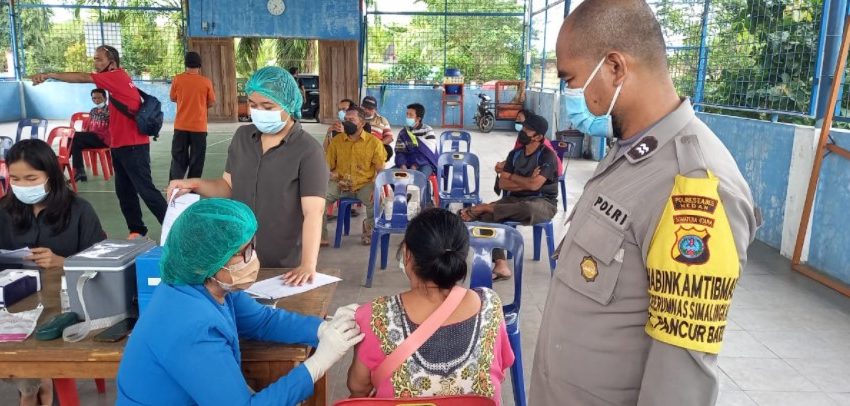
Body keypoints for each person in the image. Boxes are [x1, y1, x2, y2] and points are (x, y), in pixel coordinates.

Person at [529, 2, 759, 405]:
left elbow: (679, 382)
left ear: (615, 67)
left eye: (571, 79)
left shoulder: (694, 188)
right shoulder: (630, 151)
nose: (569, 94)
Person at [116, 198, 363, 405]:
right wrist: (318, 363)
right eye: (242, 253)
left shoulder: (211, 286)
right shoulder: (190, 325)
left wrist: (322, 328)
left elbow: (263, 321)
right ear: (208, 261)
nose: (252, 257)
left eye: (252, 246)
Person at [167, 66, 327, 286]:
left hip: (281, 264)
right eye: (253, 105)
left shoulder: (308, 151)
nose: (258, 111)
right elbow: (227, 187)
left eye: (267, 106)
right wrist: (193, 184)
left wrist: (308, 264)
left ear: (289, 105)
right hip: (237, 257)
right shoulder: (243, 137)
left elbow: (313, 212)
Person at [347, 209, 514, 403]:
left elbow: (358, 387)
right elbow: (500, 369)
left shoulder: (375, 316)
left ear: (407, 254)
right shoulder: (490, 304)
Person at [0, 139, 106, 406]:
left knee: (38, 348)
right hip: (14, 306)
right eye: (15, 178)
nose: (22, 185)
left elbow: (102, 266)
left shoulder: (79, 211)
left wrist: (64, 261)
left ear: (50, 175)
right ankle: (35, 385)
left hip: (66, 305)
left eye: (31, 178)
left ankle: (32, 387)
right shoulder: (4, 211)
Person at [30, 45, 167, 239]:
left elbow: (82, 77)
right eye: (94, 59)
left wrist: (49, 74)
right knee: (124, 192)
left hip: (133, 146)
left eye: (99, 59)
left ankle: (175, 227)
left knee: (146, 190)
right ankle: (137, 231)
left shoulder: (116, 76)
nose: (95, 63)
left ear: (112, 62)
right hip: (119, 146)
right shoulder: (117, 81)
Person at [460, 114, 559, 280]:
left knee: (529, 208)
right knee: (485, 219)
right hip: (514, 199)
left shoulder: (547, 156)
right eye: (523, 126)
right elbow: (504, 184)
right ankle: (501, 264)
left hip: (543, 201)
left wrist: (516, 179)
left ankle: (489, 206)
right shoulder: (515, 154)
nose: (522, 131)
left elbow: (535, 187)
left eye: (528, 129)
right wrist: (525, 181)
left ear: (538, 137)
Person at [323, 106, 386, 246]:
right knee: (318, 200)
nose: (347, 123)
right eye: (345, 119)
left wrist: (377, 186)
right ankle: (321, 236)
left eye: (351, 120)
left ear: (362, 123)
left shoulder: (374, 143)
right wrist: (329, 174)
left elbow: (381, 169)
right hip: (340, 183)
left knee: (377, 200)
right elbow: (327, 165)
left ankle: (368, 228)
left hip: (364, 184)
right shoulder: (337, 141)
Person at [169, 51, 216, 180]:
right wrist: (199, 104)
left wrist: (184, 101)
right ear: (199, 65)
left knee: (178, 160)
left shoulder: (177, 79)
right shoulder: (206, 82)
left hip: (181, 126)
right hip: (199, 128)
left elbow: (173, 98)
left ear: (186, 64)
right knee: (197, 162)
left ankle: (174, 189)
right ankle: (192, 190)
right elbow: (211, 102)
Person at [70, 88, 111, 182]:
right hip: (92, 137)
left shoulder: (110, 110)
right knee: (74, 141)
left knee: (73, 135)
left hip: (104, 139)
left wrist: (105, 112)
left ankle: (70, 163)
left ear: (105, 98)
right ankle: (80, 171)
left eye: (99, 98)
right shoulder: (93, 111)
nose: (96, 100)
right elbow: (89, 126)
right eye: (94, 98)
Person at [394, 103, 438, 178]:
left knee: (420, 178)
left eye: (411, 115)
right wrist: (402, 165)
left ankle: (425, 189)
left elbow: (428, 153)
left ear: (418, 118)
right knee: (390, 176)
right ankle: (401, 190)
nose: (407, 117)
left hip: (425, 163)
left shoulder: (428, 131)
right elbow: (399, 152)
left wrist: (415, 165)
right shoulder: (403, 132)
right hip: (407, 163)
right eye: (407, 114)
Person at [361, 95, 394, 161]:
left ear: (375, 110)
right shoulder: (355, 117)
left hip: (376, 148)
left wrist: (377, 146)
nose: (366, 110)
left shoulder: (382, 120)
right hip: (359, 147)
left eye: (370, 108)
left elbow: (389, 137)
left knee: (388, 150)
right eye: (364, 107)